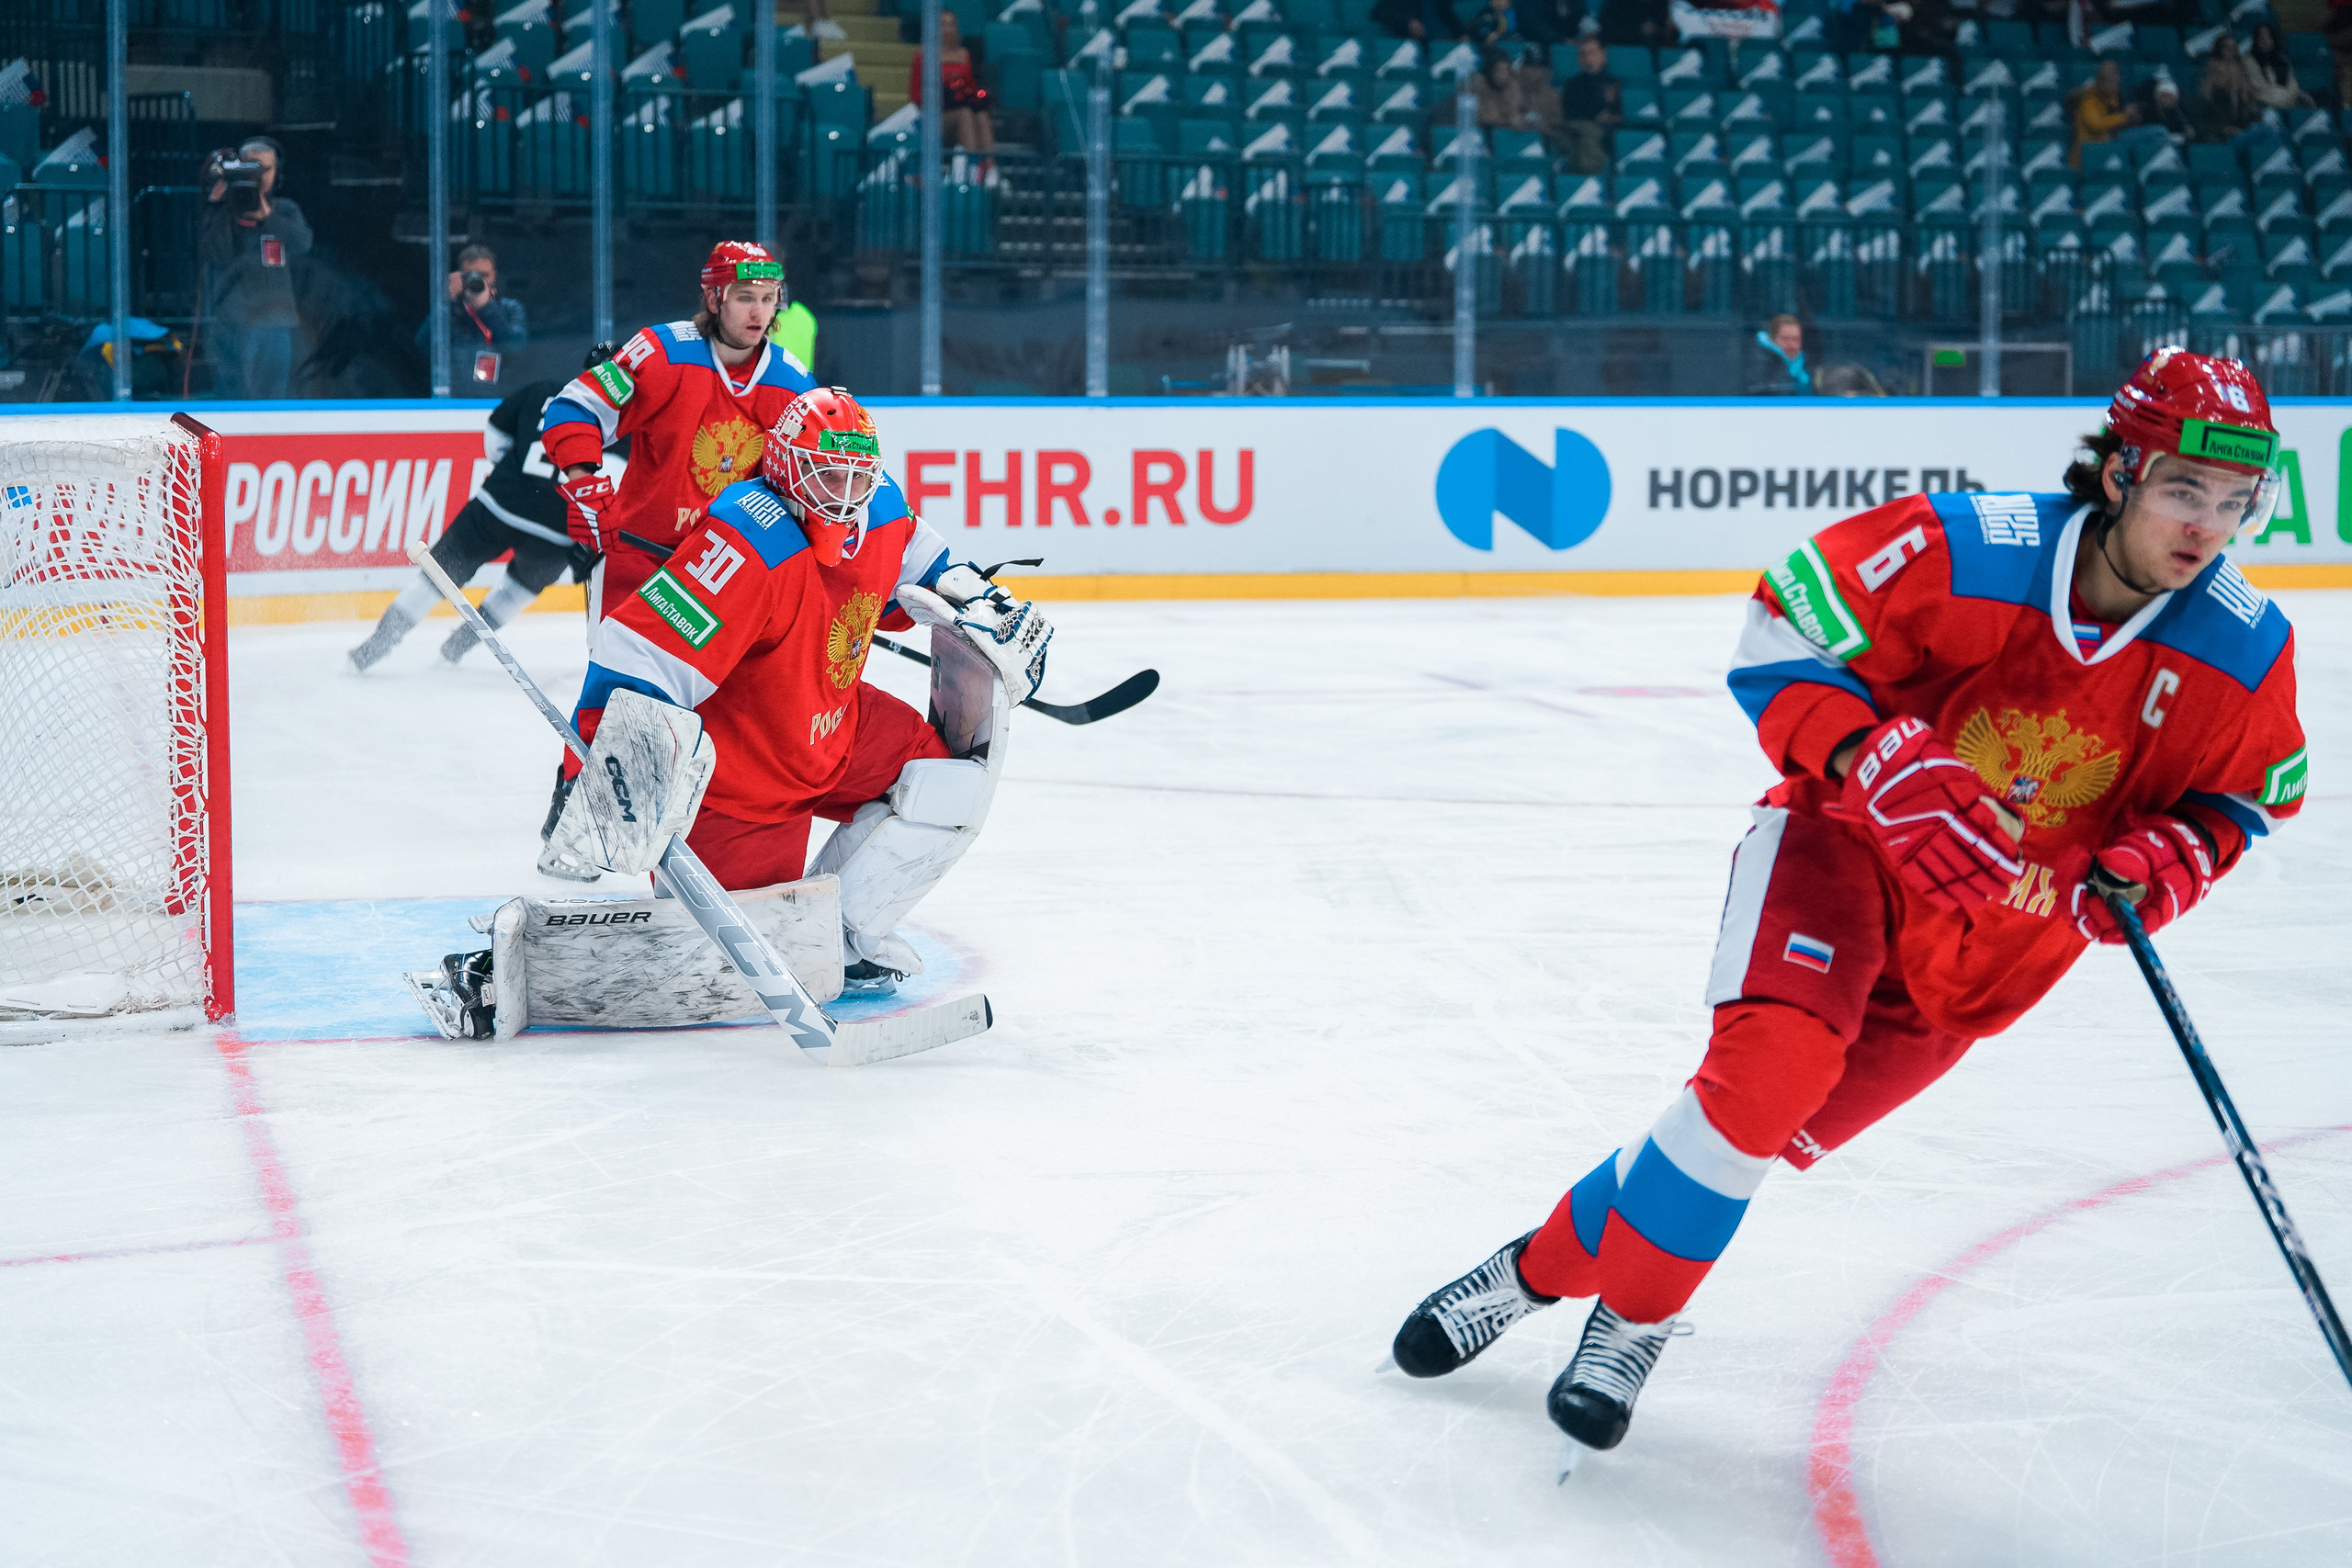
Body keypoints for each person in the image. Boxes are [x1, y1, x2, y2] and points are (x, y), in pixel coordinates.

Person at [1388, 349, 2306, 1462]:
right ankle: (1631, 1324)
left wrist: (2171, 855)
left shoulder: (2242, 646)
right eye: (2182, 489)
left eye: (2233, 501)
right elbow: (1784, 626)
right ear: (2119, 473)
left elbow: (2253, 793)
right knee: (1764, 1077)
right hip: (1842, 854)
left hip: (1987, 952)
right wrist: (1869, 755)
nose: (2206, 526)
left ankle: (1527, 1272)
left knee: (1740, 1137)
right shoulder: (1969, 549)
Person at [546, 388, 1052, 995]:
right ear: (785, 466)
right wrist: (602, 775)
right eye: (828, 475)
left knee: (950, 787)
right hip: (742, 781)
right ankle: (790, 935)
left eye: (857, 476)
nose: (846, 493)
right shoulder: (748, 540)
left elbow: (923, 560)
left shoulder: (879, 504)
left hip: (837, 729)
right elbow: (642, 652)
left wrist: (976, 598)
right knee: (725, 970)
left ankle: (840, 938)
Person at [537, 239, 919, 878]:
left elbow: (818, 474)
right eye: (744, 297)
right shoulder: (663, 351)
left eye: (768, 299)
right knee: (628, 690)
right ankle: (578, 816)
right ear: (714, 298)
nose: (758, 312)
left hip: (736, 575)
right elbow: (574, 406)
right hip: (645, 560)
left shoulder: (791, 380)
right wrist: (582, 475)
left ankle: (692, 826)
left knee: (732, 710)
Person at [347, 343, 619, 676]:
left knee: (436, 578)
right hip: (557, 532)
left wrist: (511, 474)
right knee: (516, 592)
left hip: (499, 505)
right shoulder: (625, 429)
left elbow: (495, 435)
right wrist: (592, 541)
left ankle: (375, 646)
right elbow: (615, 492)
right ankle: (456, 648)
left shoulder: (543, 392)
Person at [197, 136, 311, 399]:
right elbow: (213, 254)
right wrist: (216, 207)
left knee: (273, 397)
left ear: (277, 172)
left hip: (276, 321)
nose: (259, 177)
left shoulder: (285, 210)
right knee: (233, 395)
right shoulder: (224, 213)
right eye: (252, 169)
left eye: (266, 170)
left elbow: (303, 244)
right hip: (232, 323)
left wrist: (267, 216)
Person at [415, 243, 529, 389]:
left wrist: (486, 307)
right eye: (470, 275)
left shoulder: (510, 308)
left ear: (493, 276)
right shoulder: (450, 310)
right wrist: (446, 302)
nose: (478, 280)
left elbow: (516, 347)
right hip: (456, 394)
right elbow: (423, 345)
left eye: (484, 275)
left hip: (500, 393)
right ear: (460, 277)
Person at [909, 10, 994, 156]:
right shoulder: (923, 56)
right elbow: (915, 97)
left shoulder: (964, 55)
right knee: (964, 115)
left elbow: (971, 88)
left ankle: (990, 165)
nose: (947, 29)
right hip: (935, 117)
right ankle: (971, 164)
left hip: (960, 107)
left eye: (951, 24)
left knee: (981, 115)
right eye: (943, 24)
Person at [1555, 36, 1622, 175]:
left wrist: (1611, 116)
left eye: (1592, 53)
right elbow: (1568, 115)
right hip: (1578, 130)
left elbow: (1622, 115)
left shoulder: (1615, 84)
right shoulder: (1572, 85)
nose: (1587, 58)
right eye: (1583, 54)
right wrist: (1595, 117)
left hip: (1608, 133)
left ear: (1603, 54)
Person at [2069, 59, 2137, 166]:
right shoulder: (2089, 99)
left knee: (2154, 133)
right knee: (2157, 133)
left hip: (2109, 141)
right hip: (2089, 148)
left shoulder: (2114, 98)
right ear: (2099, 79)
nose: (2114, 83)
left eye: (2115, 78)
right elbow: (2096, 125)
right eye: (2108, 79)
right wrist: (2124, 116)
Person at [2245, 23, 2313, 112]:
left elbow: (2293, 87)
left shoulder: (2283, 61)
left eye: (2268, 37)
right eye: (2261, 37)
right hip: (2264, 105)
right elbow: (2260, 90)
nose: (2265, 41)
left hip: (2286, 103)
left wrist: (2291, 96)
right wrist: (2286, 97)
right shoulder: (2249, 61)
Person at [1748, 313, 1811, 394]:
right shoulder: (1758, 363)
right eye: (1785, 339)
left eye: (1796, 339)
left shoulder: (1808, 363)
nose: (1791, 344)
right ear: (1772, 339)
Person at [1374, 0, 1467, 42]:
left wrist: (1461, 34)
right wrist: (1408, 23)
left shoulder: (1442, 2)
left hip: (1443, 45)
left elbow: (1450, 17)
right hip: (1415, 45)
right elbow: (1379, 12)